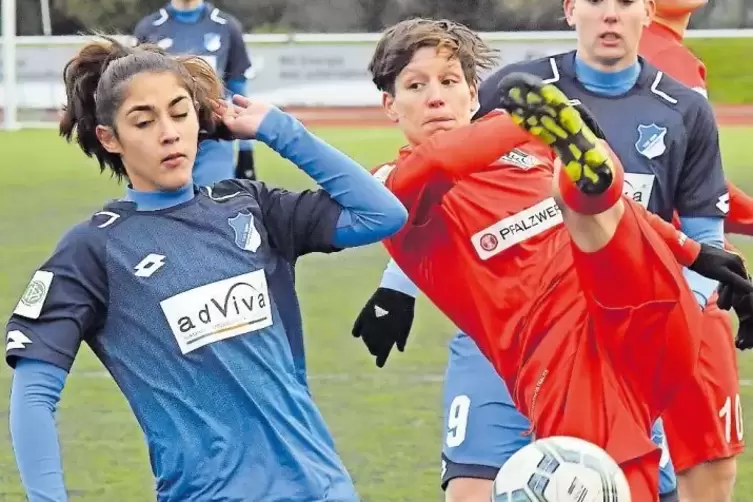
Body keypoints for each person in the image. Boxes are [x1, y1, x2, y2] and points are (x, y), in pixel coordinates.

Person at [358, 17, 751, 501]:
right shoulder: (394, 180)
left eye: (449, 81)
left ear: (474, 92)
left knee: (593, 193)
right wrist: (531, 122)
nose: (435, 97)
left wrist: (697, 253)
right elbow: (440, 162)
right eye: (415, 86)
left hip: (621, 321)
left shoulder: (530, 150)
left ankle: (587, 180)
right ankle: (586, 180)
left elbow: (630, 211)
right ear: (389, 105)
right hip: (547, 356)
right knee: (562, 482)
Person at [5, 37, 407, 502]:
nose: (169, 132)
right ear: (110, 138)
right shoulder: (95, 248)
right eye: (144, 120)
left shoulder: (248, 206)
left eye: (180, 113)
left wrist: (276, 129)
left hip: (325, 487)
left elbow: (381, 215)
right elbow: (34, 395)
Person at [638, 2, 749, 499]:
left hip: (653, 275)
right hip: (684, 284)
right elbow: (694, 185)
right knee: (707, 464)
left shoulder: (656, 51)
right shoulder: (661, 55)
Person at [134, 0, 257, 184]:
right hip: (164, 136)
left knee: (215, 205)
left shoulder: (226, 26)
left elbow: (238, 90)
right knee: (165, 209)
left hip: (213, 138)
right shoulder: (149, 27)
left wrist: (246, 149)